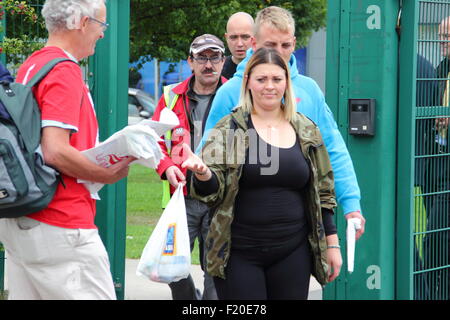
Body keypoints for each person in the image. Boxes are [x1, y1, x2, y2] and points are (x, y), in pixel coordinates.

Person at [181, 47, 342, 299]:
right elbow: (210, 194)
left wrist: (332, 243)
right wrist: (202, 174)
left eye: (277, 79)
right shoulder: (230, 129)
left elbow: (323, 191)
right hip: (238, 254)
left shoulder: (306, 130)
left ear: (287, 83)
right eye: (261, 79)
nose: (269, 86)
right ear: (248, 82)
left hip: (292, 252)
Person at [0, 0, 135, 300]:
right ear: (80, 22)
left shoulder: (31, 65)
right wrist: (106, 173)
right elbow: (55, 151)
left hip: (24, 219)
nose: (102, 34)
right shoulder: (64, 71)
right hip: (61, 221)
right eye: (101, 24)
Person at [199, 6, 366, 238]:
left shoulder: (309, 91)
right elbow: (206, 156)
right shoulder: (230, 92)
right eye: (270, 46)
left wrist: (351, 205)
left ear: (294, 43)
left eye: (285, 45)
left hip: (295, 227)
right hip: (237, 229)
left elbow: (333, 149)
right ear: (254, 44)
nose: (278, 53)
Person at [151, 34, 227, 300]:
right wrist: (165, 166)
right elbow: (154, 139)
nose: (209, 64)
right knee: (172, 269)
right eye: (202, 58)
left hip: (221, 198)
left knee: (216, 272)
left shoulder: (235, 95)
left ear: (223, 60)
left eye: (214, 57)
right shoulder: (171, 96)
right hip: (181, 197)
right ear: (190, 62)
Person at [222, 12, 254, 79]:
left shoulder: (266, 69)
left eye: (245, 37)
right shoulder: (219, 71)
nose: (239, 44)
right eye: (234, 37)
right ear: (226, 38)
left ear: (255, 37)